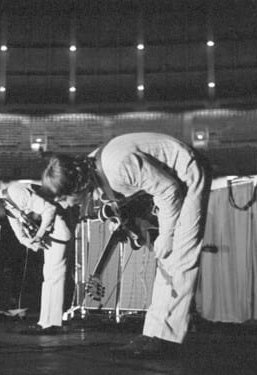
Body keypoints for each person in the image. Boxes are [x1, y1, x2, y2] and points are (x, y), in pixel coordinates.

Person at [41, 132, 210, 358]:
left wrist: (167, 235)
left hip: (188, 174)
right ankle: (153, 333)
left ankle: (167, 338)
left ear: (76, 186)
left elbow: (169, 191)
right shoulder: (89, 166)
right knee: (165, 260)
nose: (63, 205)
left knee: (181, 253)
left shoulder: (117, 166)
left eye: (63, 198)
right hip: (171, 183)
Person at [0, 182, 72, 335]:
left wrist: (39, 235)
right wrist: (31, 243)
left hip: (59, 227)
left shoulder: (15, 193)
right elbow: (19, 234)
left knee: (53, 277)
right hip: (50, 231)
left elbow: (50, 209)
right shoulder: (6, 204)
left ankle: (50, 323)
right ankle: (48, 322)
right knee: (50, 278)